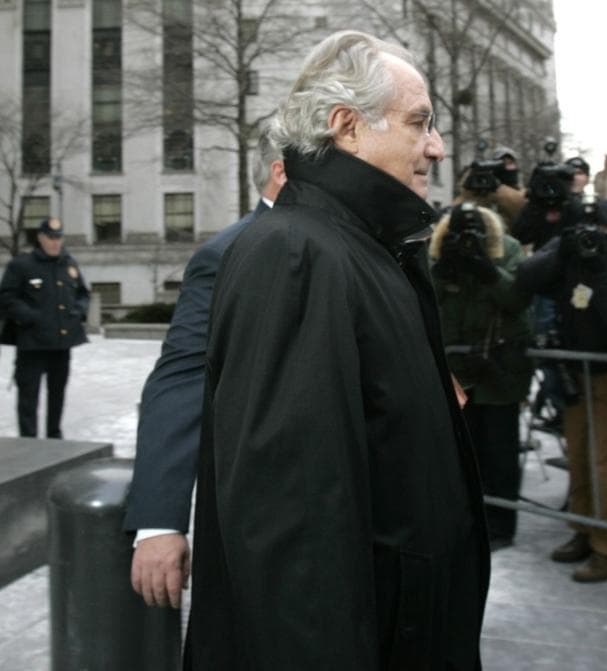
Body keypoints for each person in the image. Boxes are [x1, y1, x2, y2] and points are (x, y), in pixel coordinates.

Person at [184, 31, 489, 669]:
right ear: (348, 127)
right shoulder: (294, 253)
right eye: (420, 123)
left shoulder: (369, 249)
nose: (436, 146)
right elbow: (292, 530)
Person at [124, 133, 286, 609]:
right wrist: (160, 521)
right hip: (272, 517)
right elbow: (182, 378)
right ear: (281, 172)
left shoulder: (366, 244)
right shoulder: (228, 253)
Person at [515, 195, 607, 582]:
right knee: (580, 457)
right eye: (584, 229)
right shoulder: (567, 254)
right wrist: (562, 246)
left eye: (601, 229)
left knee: (605, 461)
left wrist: (598, 265)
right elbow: (526, 277)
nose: (592, 236)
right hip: (573, 371)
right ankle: (584, 530)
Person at [430, 202, 532, 552]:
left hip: (497, 369)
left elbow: (518, 299)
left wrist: (487, 270)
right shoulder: (437, 250)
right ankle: (466, 521)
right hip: (455, 371)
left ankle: (501, 525)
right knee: (460, 453)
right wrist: (444, 267)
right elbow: (424, 300)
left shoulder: (508, 249)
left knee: (500, 453)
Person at [0, 218, 89, 438]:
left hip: (61, 344)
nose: (55, 242)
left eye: (58, 237)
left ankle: (54, 436)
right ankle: (29, 441)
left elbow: (82, 293)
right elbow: (7, 297)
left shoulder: (68, 264)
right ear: (40, 238)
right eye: (50, 238)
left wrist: (78, 312)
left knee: (57, 394)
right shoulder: (22, 265)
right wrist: (31, 317)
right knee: (28, 397)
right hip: (32, 343)